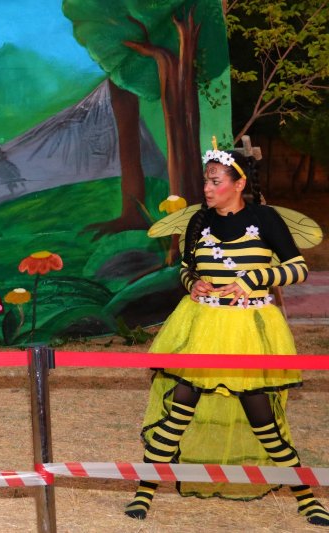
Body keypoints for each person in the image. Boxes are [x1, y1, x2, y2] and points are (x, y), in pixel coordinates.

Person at [124, 140, 328, 526]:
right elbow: (186, 269)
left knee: (263, 420)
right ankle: (144, 492)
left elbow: (298, 268)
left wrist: (254, 278)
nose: (207, 188)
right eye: (205, 181)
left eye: (215, 181)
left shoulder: (265, 219)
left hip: (247, 331)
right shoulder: (198, 221)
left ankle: (307, 499)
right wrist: (193, 283)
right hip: (201, 327)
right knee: (178, 412)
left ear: (238, 183)